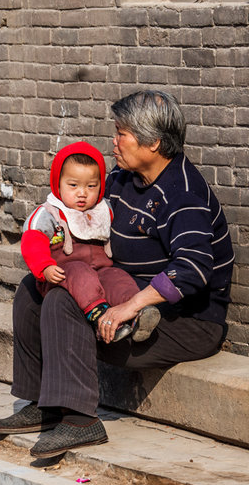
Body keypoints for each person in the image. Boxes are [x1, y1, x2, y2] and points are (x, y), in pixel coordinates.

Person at [0, 90, 234, 458]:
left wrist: (130, 307)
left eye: (122, 134)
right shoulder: (123, 180)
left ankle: (81, 420)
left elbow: (192, 268)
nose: (114, 141)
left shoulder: (183, 195)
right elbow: (82, 210)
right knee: (34, 287)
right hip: (122, 290)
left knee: (63, 302)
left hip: (182, 321)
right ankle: (45, 402)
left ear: (153, 143)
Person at [20, 141, 160, 343]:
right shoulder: (50, 213)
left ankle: (137, 314)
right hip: (63, 273)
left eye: (91, 186)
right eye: (73, 185)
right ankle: (101, 319)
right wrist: (44, 267)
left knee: (119, 278)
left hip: (101, 270)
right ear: (57, 183)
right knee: (81, 274)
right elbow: (32, 241)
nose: (82, 193)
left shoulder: (103, 209)